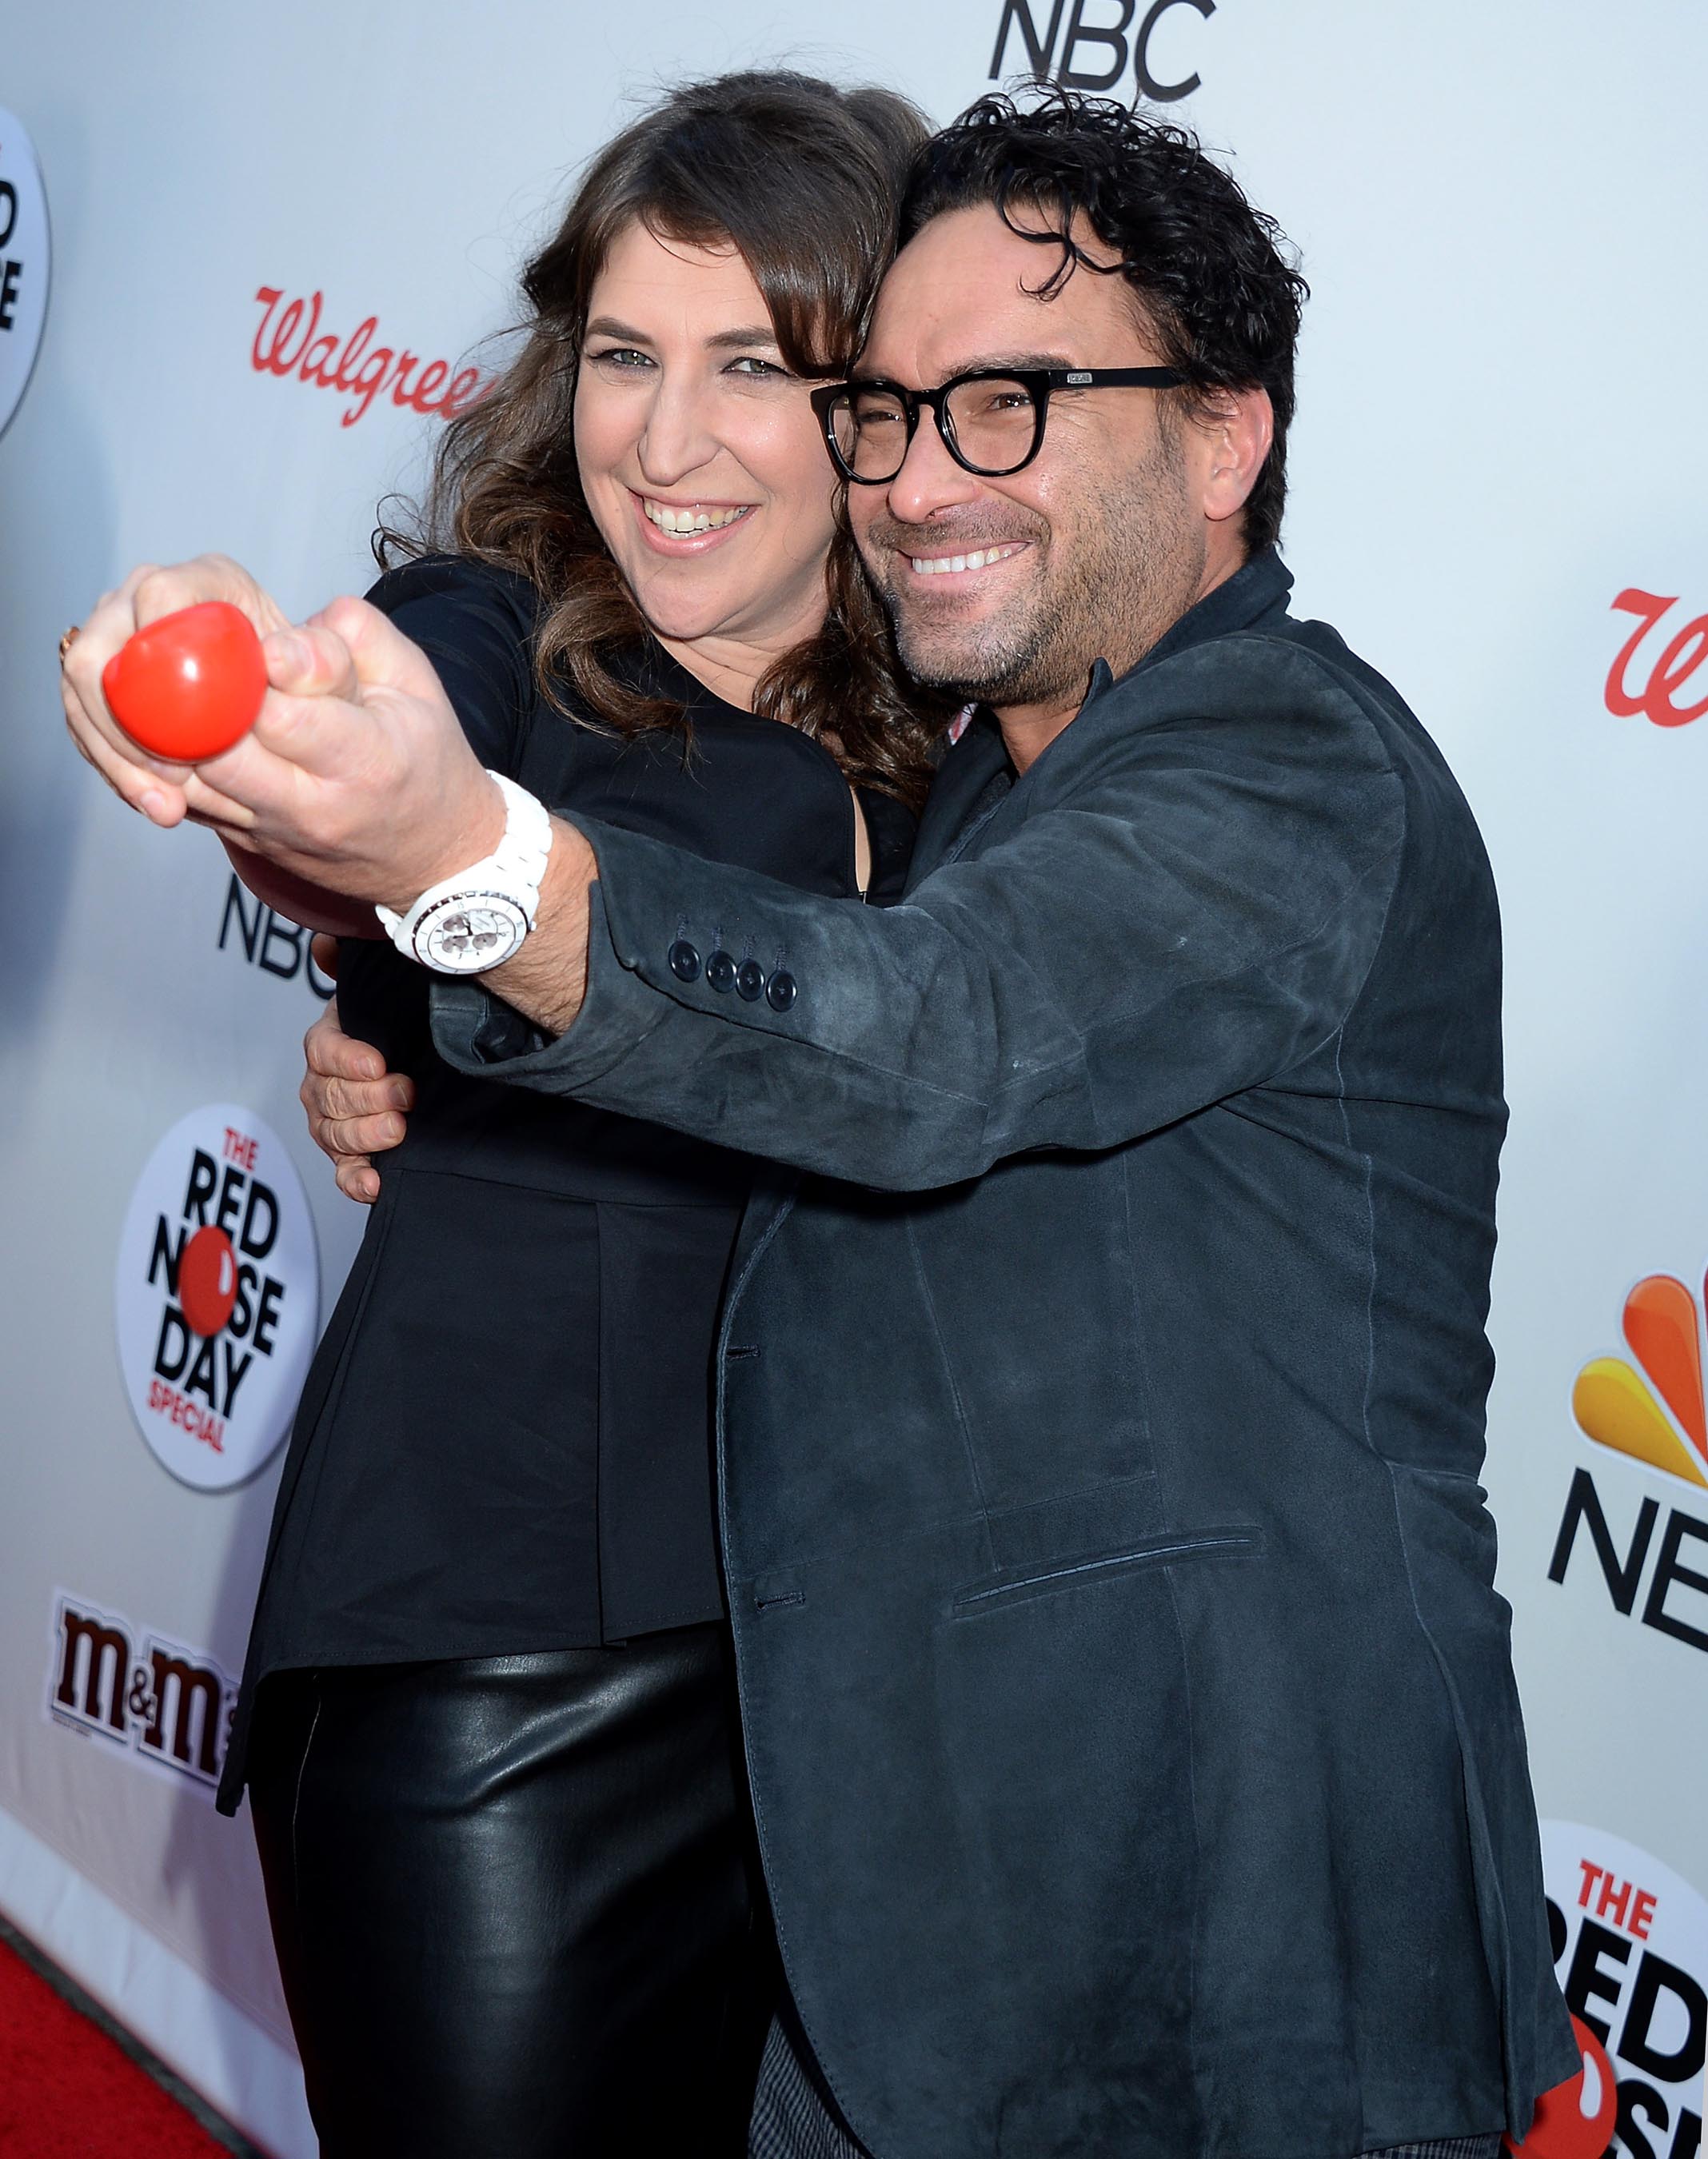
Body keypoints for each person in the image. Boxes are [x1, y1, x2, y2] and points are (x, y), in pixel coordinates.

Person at [64, 89, 1579, 2159]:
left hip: (1207, 1937)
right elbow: (405, 742)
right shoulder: (877, 750)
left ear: (1224, 438)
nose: (929, 467)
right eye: (901, 407)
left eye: (1009, 402)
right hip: (789, 1837)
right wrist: (308, 780)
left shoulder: (1268, 762)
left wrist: (461, 866)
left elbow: (916, 1036)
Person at [64, 70, 946, 2159]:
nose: (659, 437)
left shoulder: (970, 759)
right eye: (624, 354)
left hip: (849, 1700)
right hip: (493, 1683)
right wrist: (269, 697)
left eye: (751, 365)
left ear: (874, 408)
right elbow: (374, 731)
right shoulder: (510, 634)